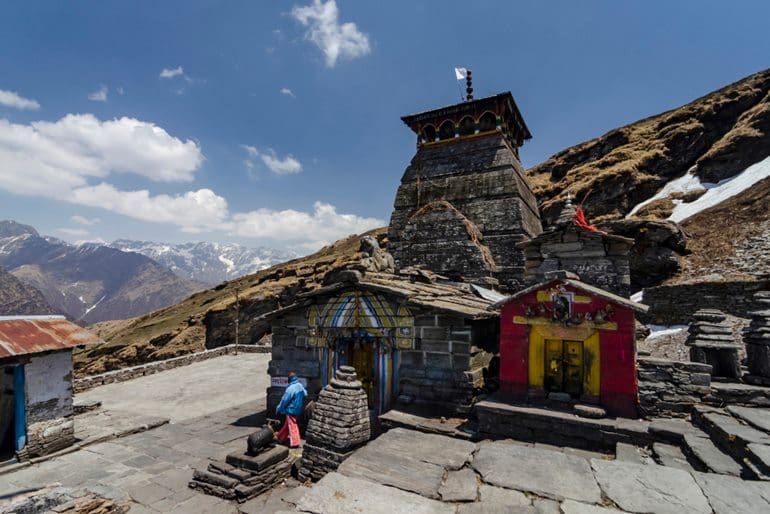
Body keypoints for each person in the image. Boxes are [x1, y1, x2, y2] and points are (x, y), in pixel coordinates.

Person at [275, 371, 307, 448]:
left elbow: (284, 401)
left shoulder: (290, 389)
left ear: (289, 379)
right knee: (288, 424)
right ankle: (280, 437)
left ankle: (295, 442)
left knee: (292, 426)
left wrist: (279, 408)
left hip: (291, 410)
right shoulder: (300, 385)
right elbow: (305, 394)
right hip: (298, 409)